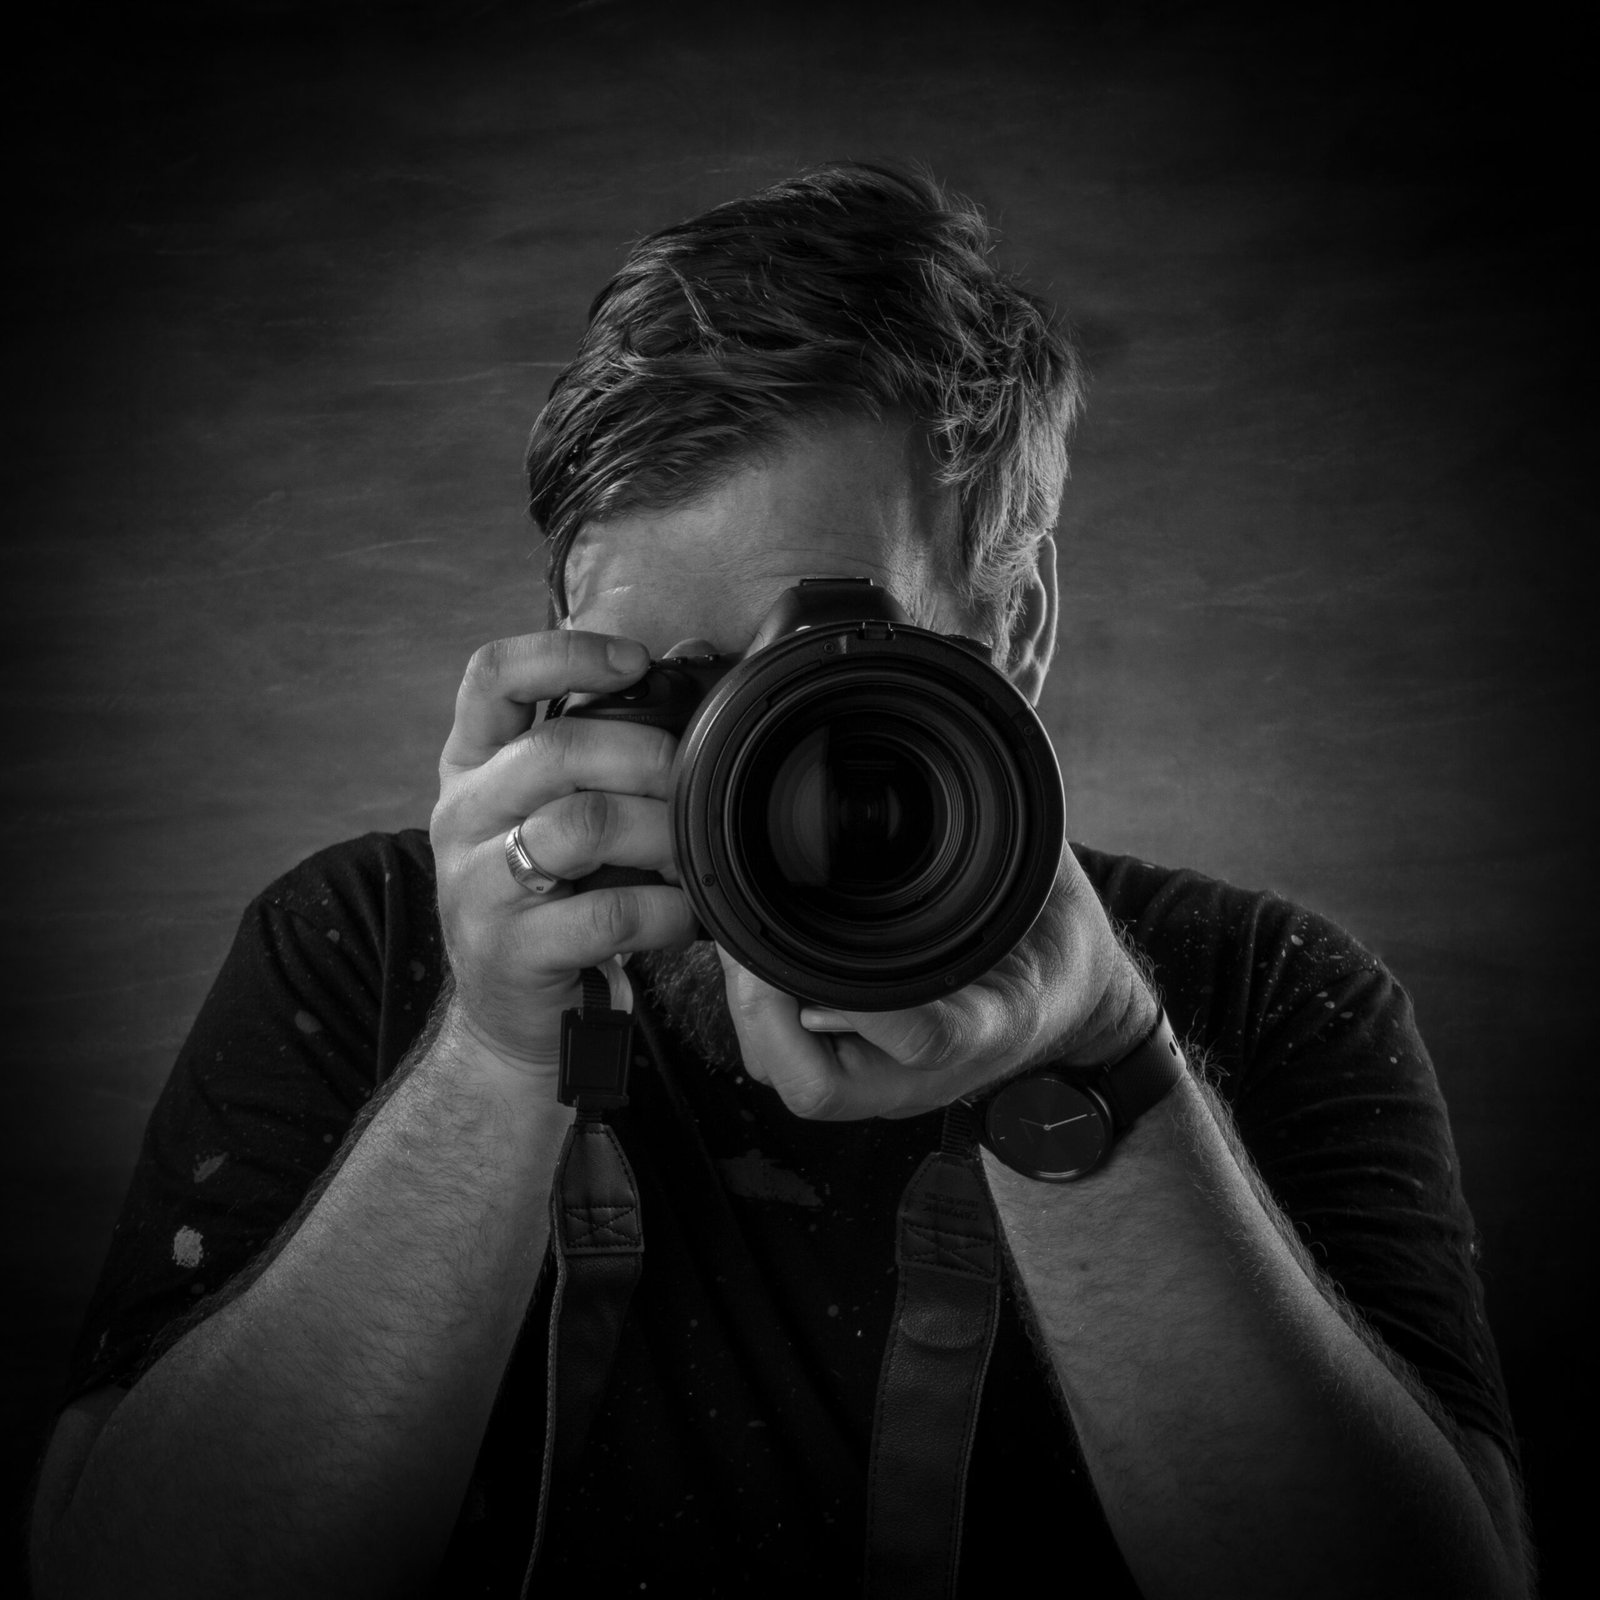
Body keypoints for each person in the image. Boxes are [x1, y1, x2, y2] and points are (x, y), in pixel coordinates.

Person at [30, 163, 1529, 1599]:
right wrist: (494, 1054)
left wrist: (1102, 1068)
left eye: (818, 661)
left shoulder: (1260, 996)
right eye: (674, 682)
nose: (749, 757)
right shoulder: (362, 948)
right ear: (561, 649)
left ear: (1012, 626)